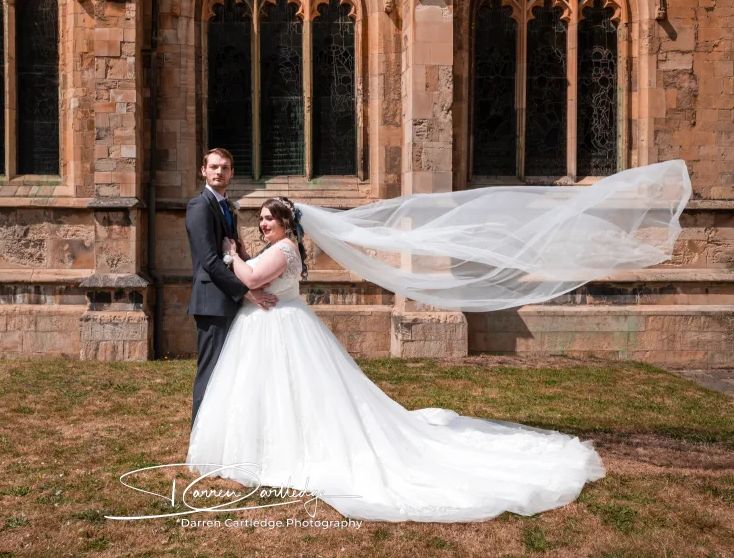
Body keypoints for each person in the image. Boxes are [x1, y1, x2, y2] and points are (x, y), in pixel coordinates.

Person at [185, 160, 692, 522]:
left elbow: (252, 277)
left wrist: (232, 255)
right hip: (277, 324)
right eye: (262, 219)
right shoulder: (286, 247)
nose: (263, 223)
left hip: (281, 326)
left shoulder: (281, 250)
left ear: (287, 222)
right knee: (278, 392)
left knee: (295, 393)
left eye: (270, 218)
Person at [185, 148, 278, 426]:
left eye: (225, 168)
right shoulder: (199, 205)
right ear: (203, 171)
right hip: (212, 302)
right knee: (211, 371)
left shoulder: (227, 206)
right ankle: (199, 438)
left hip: (228, 299)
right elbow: (211, 261)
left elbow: (233, 253)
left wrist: (259, 271)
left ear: (232, 173)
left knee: (226, 373)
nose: (219, 172)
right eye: (213, 167)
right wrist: (249, 290)